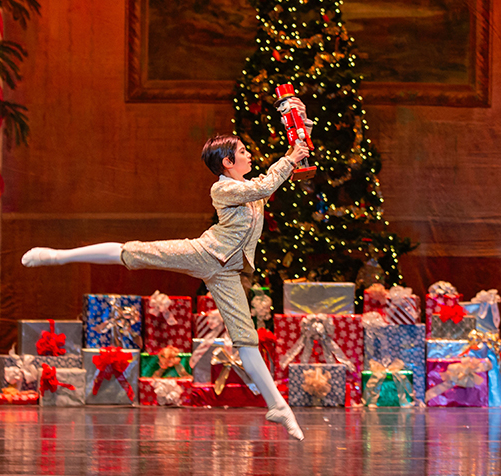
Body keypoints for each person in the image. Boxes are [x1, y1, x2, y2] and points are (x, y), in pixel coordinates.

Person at [21, 99, 312, 441]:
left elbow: (271, 180)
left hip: (226, 272)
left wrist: (300, 128)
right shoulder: (224, 188)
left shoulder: (250, 192)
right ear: (228, 161)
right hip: (205, 253)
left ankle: (278, 405)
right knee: (137, 252)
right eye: (243, 151)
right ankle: (58, 256)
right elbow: (264, 184)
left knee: (245, 339)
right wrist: (289, 158)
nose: (249, 155)